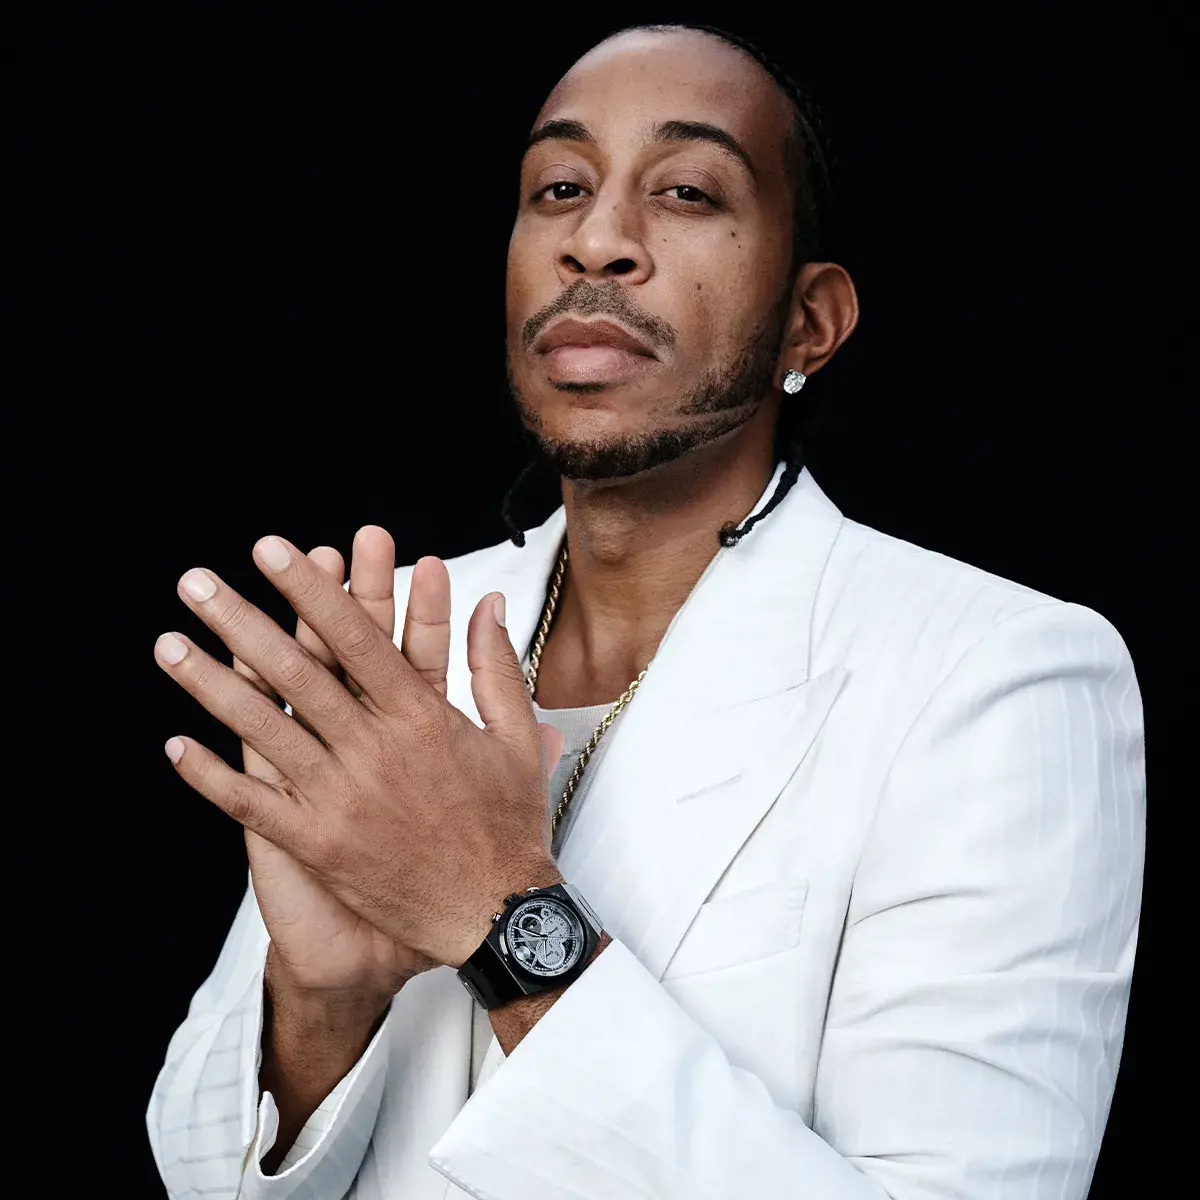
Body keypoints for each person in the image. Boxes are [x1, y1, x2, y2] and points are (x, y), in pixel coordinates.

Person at [146, 23, 1144, 1200]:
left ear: (811, 322)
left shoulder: (996, 676)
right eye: (559, 188)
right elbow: (200, 1177)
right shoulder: (404, 629)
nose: (597, 240)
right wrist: (321, 1005)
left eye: (686, 192)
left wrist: (503, 920)